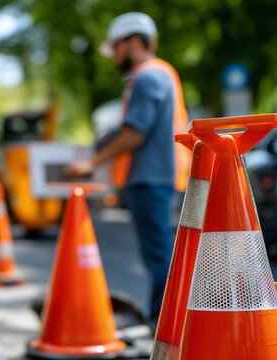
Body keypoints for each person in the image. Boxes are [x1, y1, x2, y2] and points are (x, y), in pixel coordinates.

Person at [65, 12, 189, 325]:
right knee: (159, 251)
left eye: (117, 48)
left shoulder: (147, 77)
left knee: (158, 253)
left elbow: (135, 133)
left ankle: (164, 323)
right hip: (158, 175)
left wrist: (91, 163)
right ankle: (164, 318)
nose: (115, 56)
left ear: (134, 42)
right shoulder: (159, 74)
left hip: (151, 177)